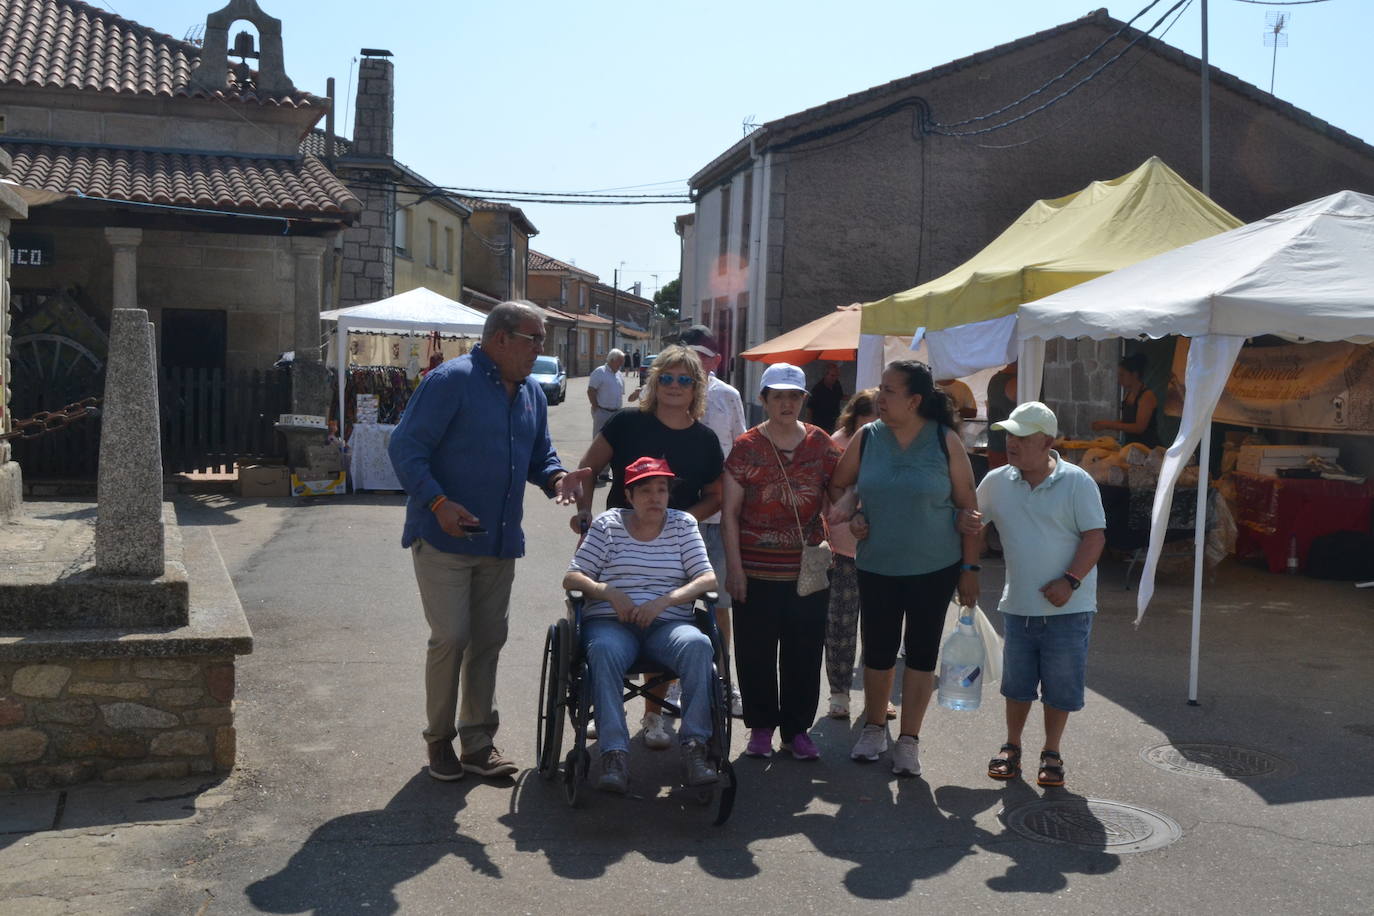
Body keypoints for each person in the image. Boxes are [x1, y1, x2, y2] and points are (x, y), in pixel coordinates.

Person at [389, 301, 581, 782]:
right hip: (443, 537)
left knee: (488, 640)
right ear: (500, 338)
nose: (540, 349)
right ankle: (439, 739)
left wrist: (557, 478)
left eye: (542, 340)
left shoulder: (532, 393)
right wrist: (438, 503)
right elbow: (406, 447)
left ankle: (477, 743)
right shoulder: (451, 381)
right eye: (534, 339)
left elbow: (540, 454)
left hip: (498, 542)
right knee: (452, 636)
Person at [826, 360, 980, 777]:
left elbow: (969, 508)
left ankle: (909, 740)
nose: (880, 397)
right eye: (881, 388)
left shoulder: (945, 440)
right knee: (877, 652)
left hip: (935, 566)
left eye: (889, 390)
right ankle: (874, 728)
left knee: (922, 653)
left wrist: (970, 569)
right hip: (877, 564)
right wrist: (854, 511)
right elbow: (837, 484)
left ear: (914, 400)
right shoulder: (867, 436)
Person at [567, 346, 724, 750]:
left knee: (667, 615)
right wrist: (584, 512)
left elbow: (716, 495)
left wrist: (677, 521)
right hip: (618, 536)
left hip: (675, 542)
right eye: (666, 378)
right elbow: (588, 469)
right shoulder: (627, 422)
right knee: (605, 622)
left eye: (684, 379)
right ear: (655, 382)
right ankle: (604, 711)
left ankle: (653, 715)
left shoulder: (704, 440)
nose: (674, 386)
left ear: (697, 387)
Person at [961, 402, 1106, 788]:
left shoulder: (1077, 482)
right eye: (1010, 434)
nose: (1012, 442)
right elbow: (973, 525)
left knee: (1060, 687)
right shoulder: (996, 481)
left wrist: (1070, 580)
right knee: (1017, 685)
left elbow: (1095, 536)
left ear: (1047, 443)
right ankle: (1012, 746)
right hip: (1019, 605)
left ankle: (1051, 751)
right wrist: (968, 569)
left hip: (1070, 608)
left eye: (1022, 437)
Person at [563, 456, 720, 794]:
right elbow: (573, 577)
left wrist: (663, 602)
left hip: (667, 625)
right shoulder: (608, 525)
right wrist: (608, 592)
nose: (655, 497)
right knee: (603, 650)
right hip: (611, 624)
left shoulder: (683, 525)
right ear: (629, 496)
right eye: (645, 490)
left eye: (661, 489)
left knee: (699, 645)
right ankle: (614, 753)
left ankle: (695, 746)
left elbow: (707, 579)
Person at [723, 363, 841, 761]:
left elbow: (841, 490)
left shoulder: (821, 443)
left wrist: (851, 512)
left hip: (809, 567)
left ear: (804, 399)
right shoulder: (746, 447)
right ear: (764, 400)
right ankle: (760, 728)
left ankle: (797, 731)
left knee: (804, 651)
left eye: (794, 396)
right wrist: (734, 569)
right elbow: (730, 514)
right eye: (778, 396)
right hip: (755, 568)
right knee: (755, 650)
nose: (786, 403)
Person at [680, 324, 748, 718]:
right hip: (676, 518)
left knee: (720, 604)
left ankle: (724, 681)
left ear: (716, 360)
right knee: (676, 604)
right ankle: (675, 684)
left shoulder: (728, 396)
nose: (692, 363)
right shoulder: (670, 391)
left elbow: (741, 449)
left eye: (700, 357)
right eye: (686, 354)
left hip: (720, 517)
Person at [824, 388, 877, 720]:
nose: (873, 428)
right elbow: (830, 489)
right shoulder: (838, 444)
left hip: (885, 551)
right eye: (866, 421)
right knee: (840, 627)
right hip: (843, 548)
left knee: (879, 628)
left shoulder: (898, 442)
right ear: (854, 419)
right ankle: (839, 693)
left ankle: (877, 693)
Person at [1092, 353, 1159, 447]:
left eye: (1122, 375)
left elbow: (1139, 428)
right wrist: (1104, 425)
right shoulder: (1128, 394)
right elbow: (1126, 422)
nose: (1119, 379)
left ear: (1134, 375)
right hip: (1131, 446)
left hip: (1147, 448)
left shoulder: (1147, 396)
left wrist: (1108, 425)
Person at [588, 349, 626, 481]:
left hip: (615, 413)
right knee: (598, 444)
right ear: (612, 360)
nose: (622, 364)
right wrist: (596, 407)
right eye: (620, 361)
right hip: (602, 412)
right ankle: (593, 472)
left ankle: (604, 473)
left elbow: (620, 393)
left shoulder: (619, 375)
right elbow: (591, 390)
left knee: (612, 444)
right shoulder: (600, 372)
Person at [985, 362, 1017, 469]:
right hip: (1010, 447)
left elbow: (988, 411)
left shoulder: (994, 379)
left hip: (995, 443)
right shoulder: (1017, 382)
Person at [808, 362, 845, 435]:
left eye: (837, 375)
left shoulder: (836, 384)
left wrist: (854, 397)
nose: (835, 378)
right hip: (821, 426)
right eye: (832, 375)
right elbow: (809, 409)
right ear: (826, 375)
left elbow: (840, 396)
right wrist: (809, 428)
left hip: (834, 424)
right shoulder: (817, 389)